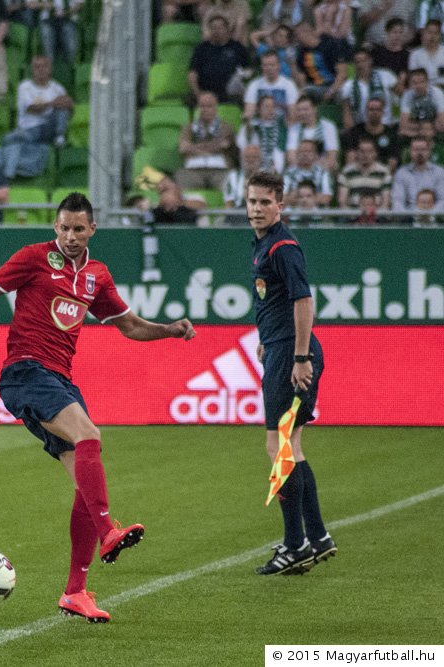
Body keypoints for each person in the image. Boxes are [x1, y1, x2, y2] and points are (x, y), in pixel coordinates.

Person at [0, 192, 195, 622]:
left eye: (78, 229)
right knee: (91, 436)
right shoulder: (34, 257)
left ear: (92, 230)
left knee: (85, 488)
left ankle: (76, 592)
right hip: (25, 371)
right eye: (63, 228)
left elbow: (128, 325)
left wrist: (168, 329)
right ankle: (109, 531)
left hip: (60, 381)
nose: (70, 236)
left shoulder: (97, 275)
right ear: (54, 227)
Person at [244, 170, 337, 576]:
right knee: (293, 445)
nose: (257, 209)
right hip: (281, 348)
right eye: (252, 201)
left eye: (265, 202)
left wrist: (299, 356)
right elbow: (280, 301)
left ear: (280, 204)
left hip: (291, 357)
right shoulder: (265, 245)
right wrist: (269, 338)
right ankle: (316, 537)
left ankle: (295, 545)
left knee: (277, 447)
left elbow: (303, 300)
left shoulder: (282, 247)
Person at [0, 55, 73, 180]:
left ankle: (59, 138)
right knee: (6, 141)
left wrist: (63, 103)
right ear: (32, 70)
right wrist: (53, 103)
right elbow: (32, 108)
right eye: (37, 67)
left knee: (63, 109)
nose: (41, 70)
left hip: (48, 129)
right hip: (29, 129)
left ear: (49, 69)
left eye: (44, 66)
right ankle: (7, 171)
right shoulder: (25, 86)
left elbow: (69, 104)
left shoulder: (57, 87)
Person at [175, 91, 235, 191]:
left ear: (216, 108)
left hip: (220, 170)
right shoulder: (188, 127)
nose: (205, 110)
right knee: (180, 180)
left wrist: (195, 148)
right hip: (193, 170)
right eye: (202, 106)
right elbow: (183, 148)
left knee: (231, 184)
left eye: (209, 106)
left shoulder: (225, 127)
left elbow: (224, 145)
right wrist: (212, 147)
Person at [187, 15, 249, 105]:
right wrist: (198, 94)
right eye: (213, 28)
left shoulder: (237, 48)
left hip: (231, 95)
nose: (216, 31)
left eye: (220, 27)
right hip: (206, 94)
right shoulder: (201, 49)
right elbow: (192, 74)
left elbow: (248, 70)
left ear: (227, 29)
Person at [341, 95, 400, 170]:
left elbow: (393, 161)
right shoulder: (354, 132)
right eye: (371, 109)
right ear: (366, 112)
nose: (374, 112)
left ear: (383, 112)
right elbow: (350, 158)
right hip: (358, 174)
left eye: (378, 109)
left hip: (381, 175)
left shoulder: (391, 134)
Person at [243, 49, 299, 120]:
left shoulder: (289, 85)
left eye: (272, 65)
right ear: (261, 66)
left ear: (279, 65)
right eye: (265, 65)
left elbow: (293, 113)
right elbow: (249, 111)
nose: (269, 68)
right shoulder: (254, 85)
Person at [391, 136, 444, 210]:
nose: (419, 153)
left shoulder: (439, 172)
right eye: (416, 149)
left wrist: (430, 215)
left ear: (429, 151)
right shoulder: (401, 173)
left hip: (435, 217)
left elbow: (442, 199)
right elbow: (397, 200)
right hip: (408, 217)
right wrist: (406, 216)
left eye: (423, 149)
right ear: (410, 151)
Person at [336, 137, 392, 208]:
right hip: (352, 216)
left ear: (375, 153)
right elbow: (342, 202)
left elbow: (385, 203)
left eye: (369, 151)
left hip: (377, 216)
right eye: (362, 151)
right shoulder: (346, 172)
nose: (365, 155)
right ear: (356, 153)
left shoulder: (384, 172)